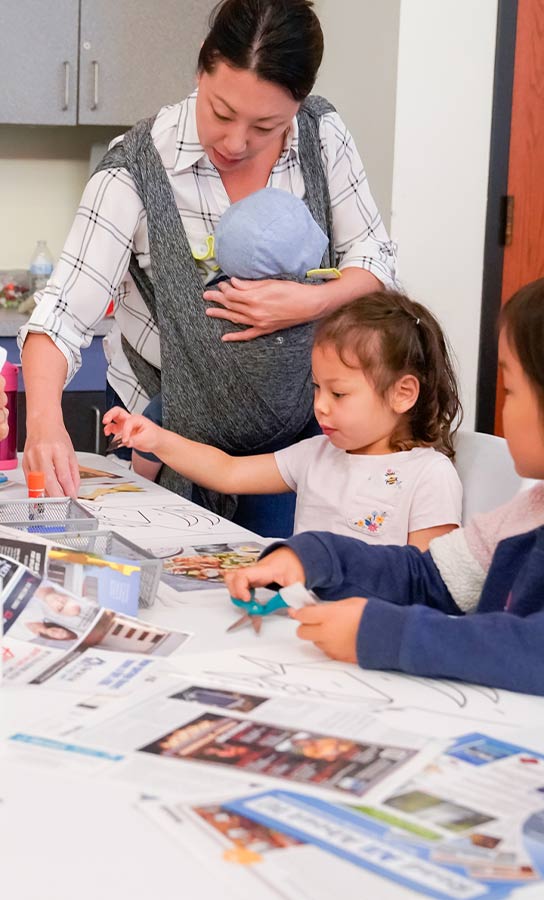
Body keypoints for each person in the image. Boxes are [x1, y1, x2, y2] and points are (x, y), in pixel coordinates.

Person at [19, 0, 396, 537]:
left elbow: (375, 256)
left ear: (299, 103)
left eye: (265, 125)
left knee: (283, 589)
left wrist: (312, 301)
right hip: (163, 430)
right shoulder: (133, 170)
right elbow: (59, 316)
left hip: (300, 437)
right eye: (221, 112)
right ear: (202, 65)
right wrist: (44, 423)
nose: (236, 142)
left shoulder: (322, 134)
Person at [224, 262, 544, 709]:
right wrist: (313, 556)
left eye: (511, 389)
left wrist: (387, 633)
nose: (503, 403)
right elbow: (429, 577)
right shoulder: (538, 509)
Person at [104, 291, 463, 550]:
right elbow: (228, 472)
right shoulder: (316, 454)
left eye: (338, 394)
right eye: (317, 388)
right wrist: (157, 440)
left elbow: (426, 581)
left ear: (403, 393)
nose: (320, 406)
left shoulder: (429, 475)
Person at [130, 185, 332, 481]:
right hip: (291, 418)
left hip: (214, 412)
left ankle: (140, 479)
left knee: (162, 412)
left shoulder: (219, 294)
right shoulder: (317, 295)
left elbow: (185, 332)